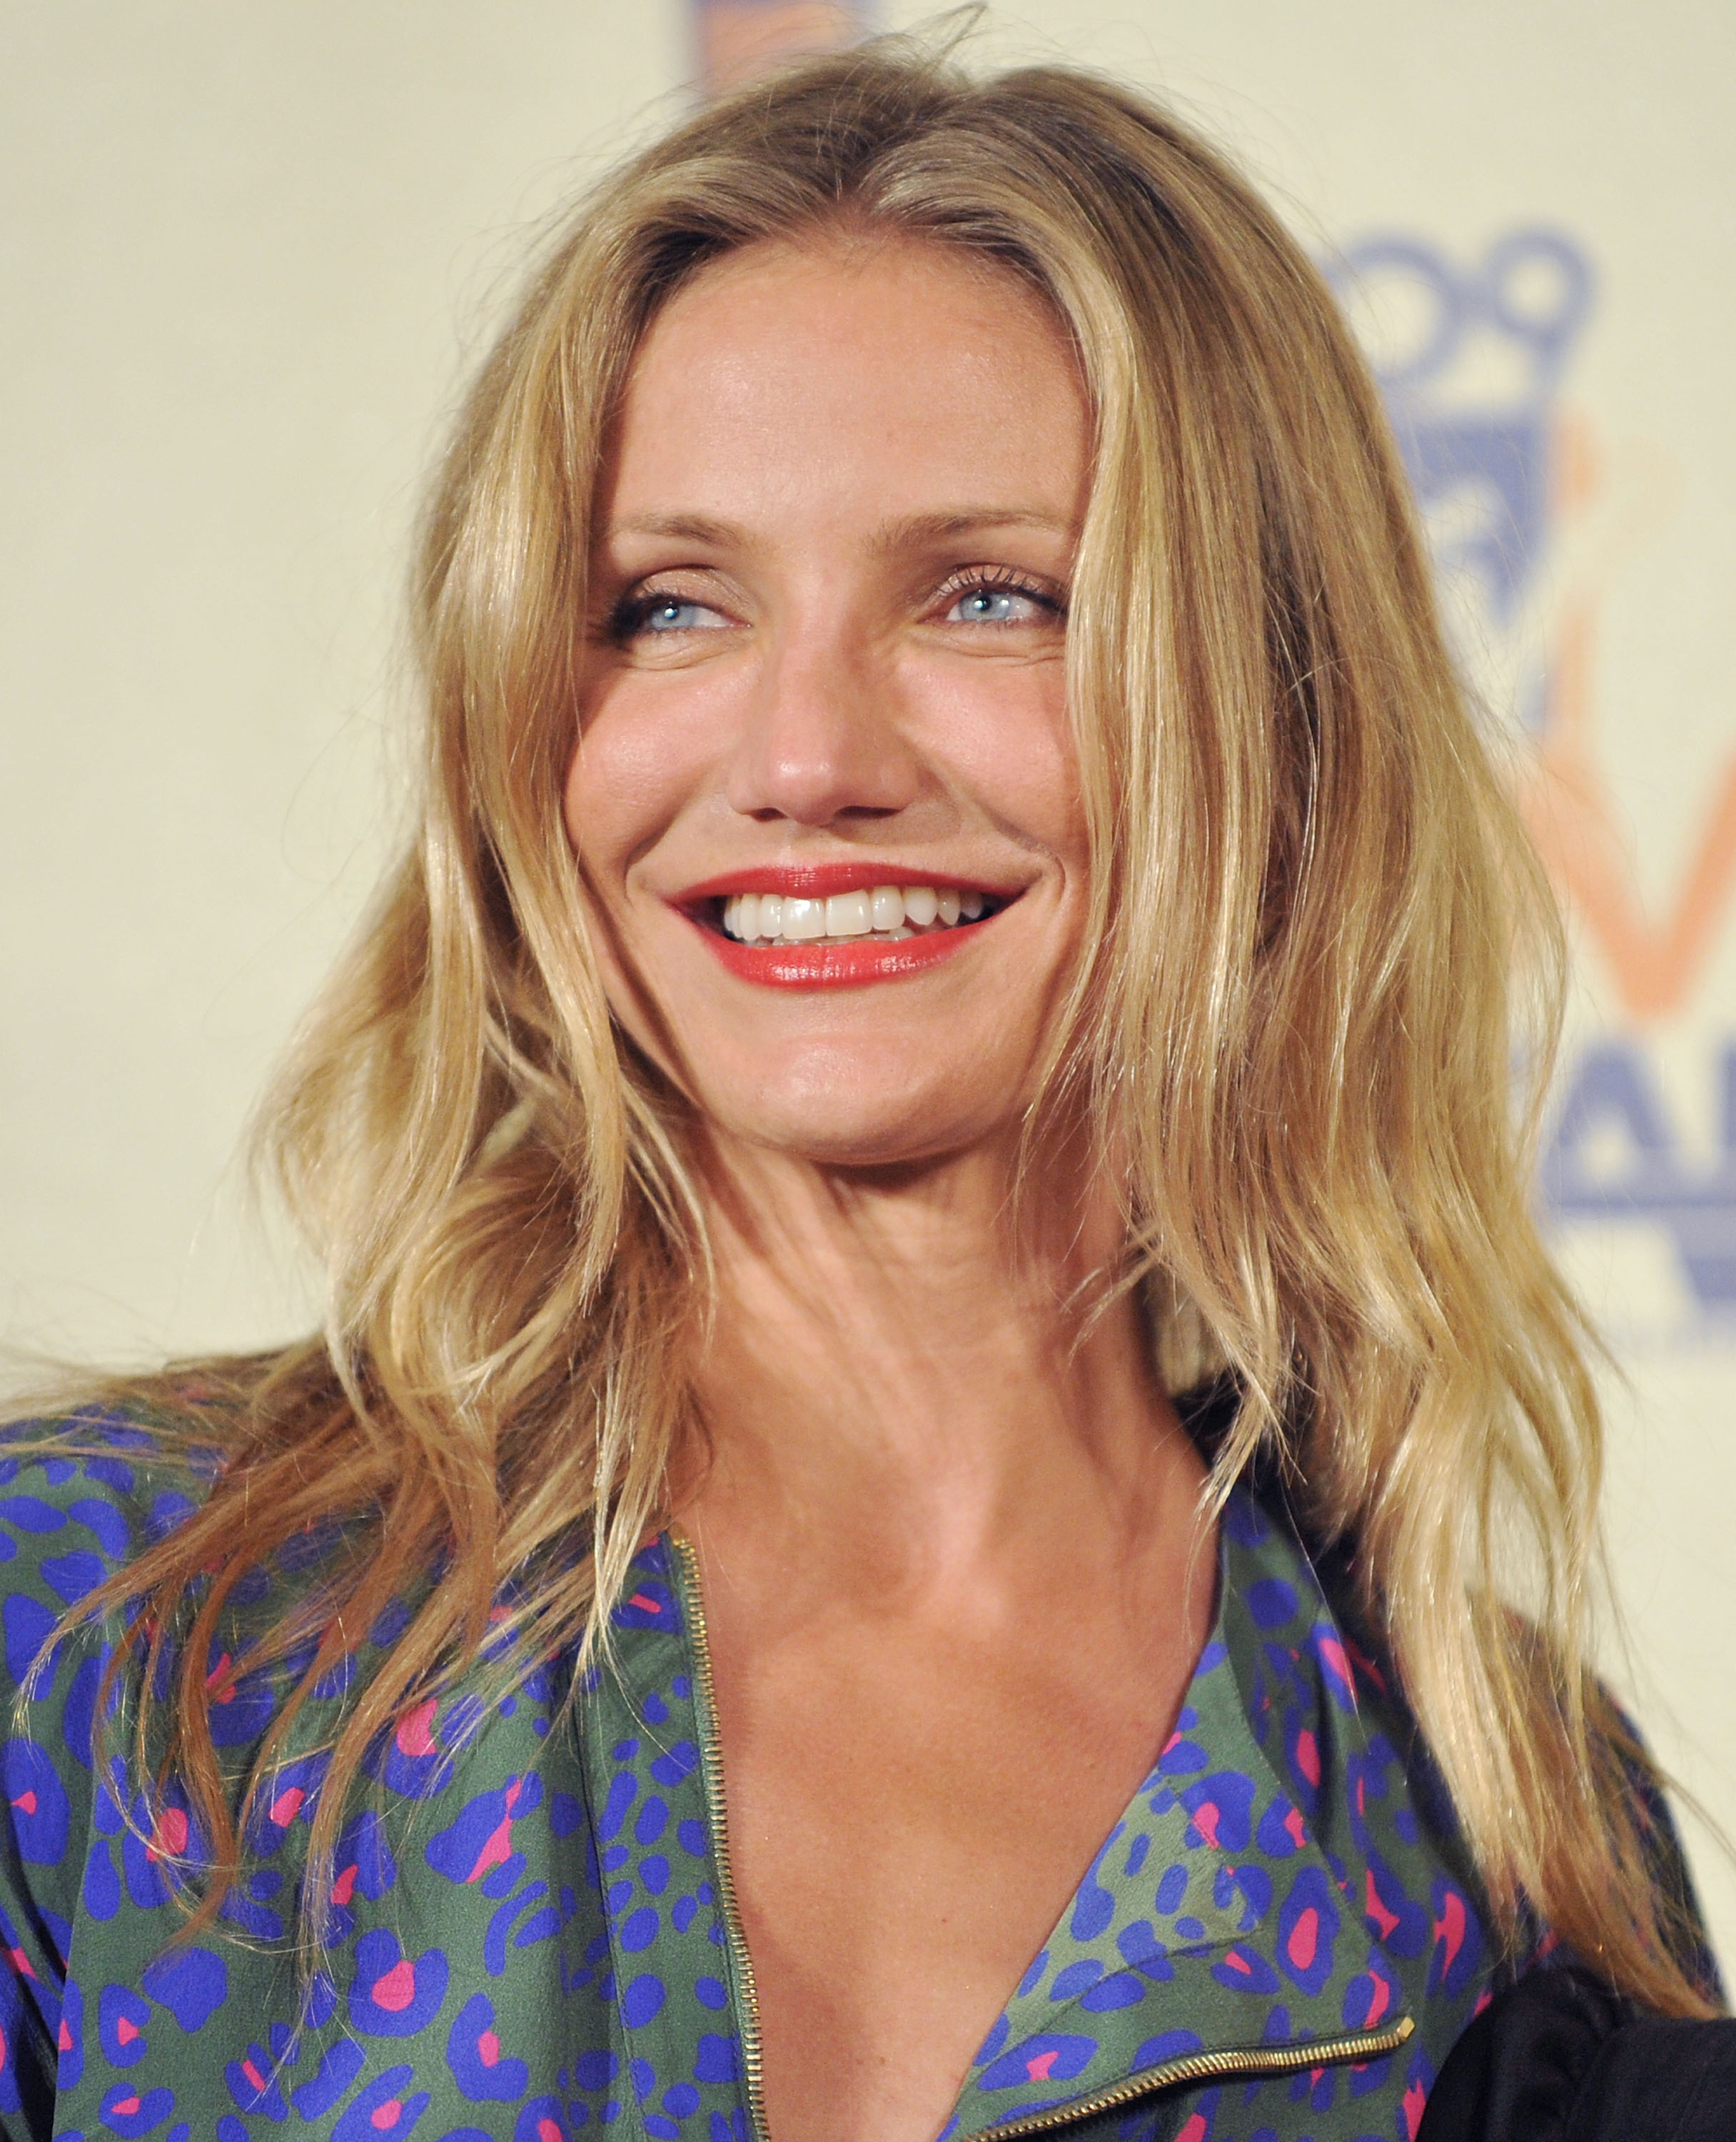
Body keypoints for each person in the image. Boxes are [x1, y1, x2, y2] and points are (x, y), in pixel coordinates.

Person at [0, 34, 1725, 2142]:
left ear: (1265, 719)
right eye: (667, 609)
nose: (805, 757)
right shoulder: (107, 1629)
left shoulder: (1498, 1821)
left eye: (987, 597)